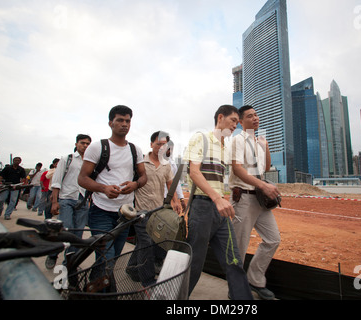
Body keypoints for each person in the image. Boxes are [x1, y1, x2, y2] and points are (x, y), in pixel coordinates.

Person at [183, 104, 253, 300]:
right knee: (194, 263)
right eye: (233, 121)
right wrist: (216, 198)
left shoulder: (225, 148)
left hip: (220, 212)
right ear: (220, 117)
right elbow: (194, 172)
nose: (235, 126)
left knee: (234, 261)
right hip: (203, 207)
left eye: (238, 123)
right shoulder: (201, 138)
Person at [78, 105, 147, 263]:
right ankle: (102, 285)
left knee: (113, 258)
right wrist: (104, 188)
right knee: (105, 259)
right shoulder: (97, 147)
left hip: (125, 214)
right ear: (110, 123)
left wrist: (135, 185)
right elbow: (82, 178)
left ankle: (97, 284)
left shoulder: (135, 150)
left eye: (128, 121)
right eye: (120, 120)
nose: (125, 124)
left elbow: (144, 176)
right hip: (101, 211)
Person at [229, 105, 281, 300]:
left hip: (260, 199)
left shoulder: (259, 141)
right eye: (250, 116)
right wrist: (264, 185)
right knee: (239, 247)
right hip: (242, 198)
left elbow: (265, 167)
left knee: (273, 239)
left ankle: (255, 280)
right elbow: (237, 169)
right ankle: (235, 290)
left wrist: (265, 146)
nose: (255, 118)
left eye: (256, 115)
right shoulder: (237, 140)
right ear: (241, 122)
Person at [128, 131, 181, 285]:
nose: (161, 148)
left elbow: (170, 184)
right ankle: (148, 280)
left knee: (146, 242)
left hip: (157, 213)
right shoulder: (140, 162)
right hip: (140, 210)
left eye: (164, 145)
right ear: (151, 144)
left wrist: (176, 201)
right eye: (158, 144)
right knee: (146, 243)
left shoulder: (166, 165)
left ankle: (131, 267)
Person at [45, 135, 91, 269]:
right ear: (76, 144)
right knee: (66, 230)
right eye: (83, 143)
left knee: (78, 234)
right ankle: (53, 254)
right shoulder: (67, 159)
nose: (85, 146)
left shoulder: (91, 162)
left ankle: (70, 264)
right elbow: (57, 181)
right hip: (66, 199)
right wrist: (55, 201)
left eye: (88, 144)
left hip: (82, 201)